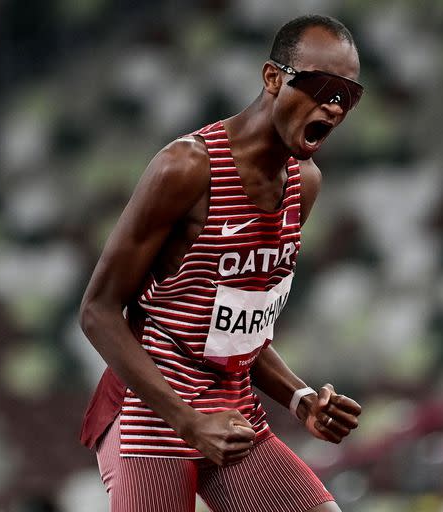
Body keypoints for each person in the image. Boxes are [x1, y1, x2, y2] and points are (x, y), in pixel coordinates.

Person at [78, 14, 363, 512]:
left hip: (230, 417)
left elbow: (234, 331)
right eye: (320, 85)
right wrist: (186, 421)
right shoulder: (187, 167)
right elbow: (98, 311)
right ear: (273, 78)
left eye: (348, 94)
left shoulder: (305, 183)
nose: (333, 105)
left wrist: (300, 399)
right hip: (152, 416)